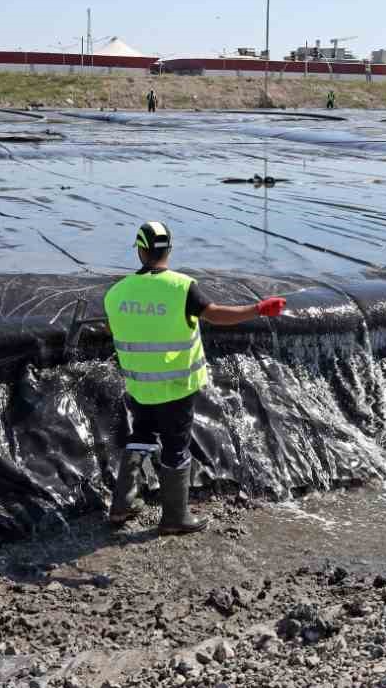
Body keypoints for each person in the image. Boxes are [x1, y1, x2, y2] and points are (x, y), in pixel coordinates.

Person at [103, 221, 286, 534]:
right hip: (175, 385)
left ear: (140, 250)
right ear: (169, 250)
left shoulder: (116, 292)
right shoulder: (181, 287)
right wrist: (258, 308)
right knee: (176, 445)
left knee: (142, 434)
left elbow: (115, 329)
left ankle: (122, 505)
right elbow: (216, 315)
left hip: (139, 384)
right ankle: (175, 518)